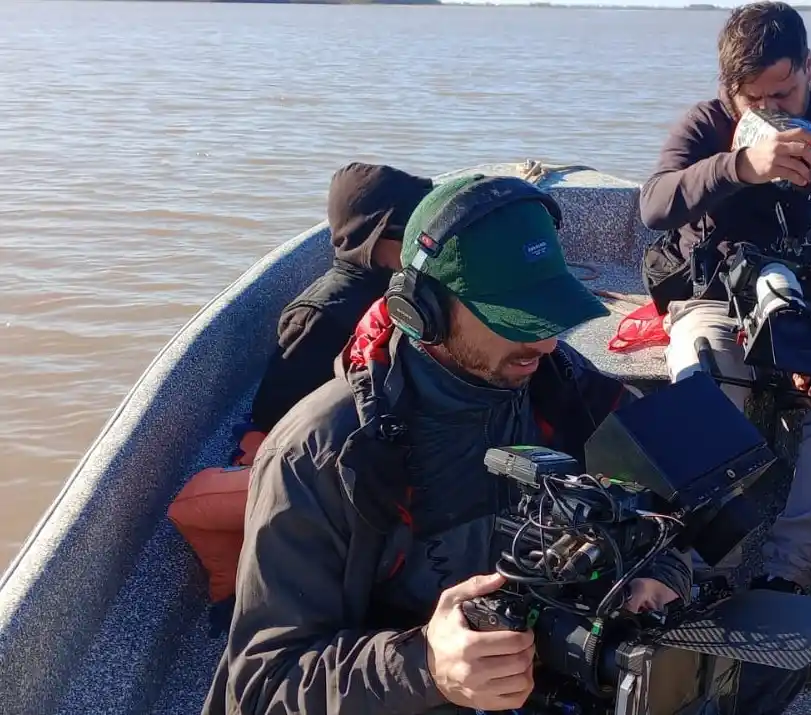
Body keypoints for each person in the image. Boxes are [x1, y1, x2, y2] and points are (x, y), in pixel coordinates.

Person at [202, 174, 691, 715]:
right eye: (515, 319)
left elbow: (671, 501)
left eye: (549, 315)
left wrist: (657, 573)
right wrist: (428, 667)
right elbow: (261, 687)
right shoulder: (318, 452)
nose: (546, 341)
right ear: (423, 312)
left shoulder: (558, 382)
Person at [637, 0, 811, 690]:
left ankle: (788, 569)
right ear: (730, 93)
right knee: (701, 376)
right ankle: (693, 565)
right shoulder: (707, 127)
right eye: (758, 99)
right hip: (715, 300)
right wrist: (742, 165)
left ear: (810, 69)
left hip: (808, 303)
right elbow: (655, 203)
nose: (778, 108)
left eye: (787, 92)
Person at [245, 162, 433, 439]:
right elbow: (272, 415)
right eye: (411, 234)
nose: (421, 245)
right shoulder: (320, 317)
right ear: (373, 236)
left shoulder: (401, 286)